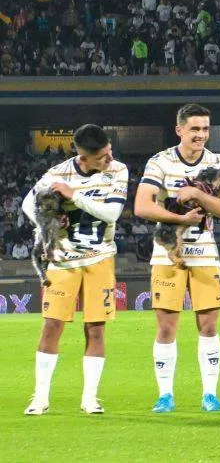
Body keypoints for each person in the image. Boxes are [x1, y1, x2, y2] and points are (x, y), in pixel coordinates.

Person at [22, 124, 129, 415]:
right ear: (83, 157)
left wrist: (73, 196)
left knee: (96, 329)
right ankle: (40, 398)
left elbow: (112, 213)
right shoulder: (57, 174)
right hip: (63, 261)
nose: (108, 159)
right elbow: (28, 204)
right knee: (52, 326)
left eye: (109, 152)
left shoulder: (118, 170)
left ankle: (90, 398)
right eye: (102, 157)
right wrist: (49, 220)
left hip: (100, 259)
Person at [134, 104, 220, 413]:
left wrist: (198, 195)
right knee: (166, 327)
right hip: (167, 253)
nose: (201, 135)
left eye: (205, 129)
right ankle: (165, 395)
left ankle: (210, 395)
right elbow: (142, 206)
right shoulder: (160, 161)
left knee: (209, 325)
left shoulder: (218, 162)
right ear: (179, 130)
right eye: (194, 129)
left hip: (204, 252)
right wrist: (181, 219)